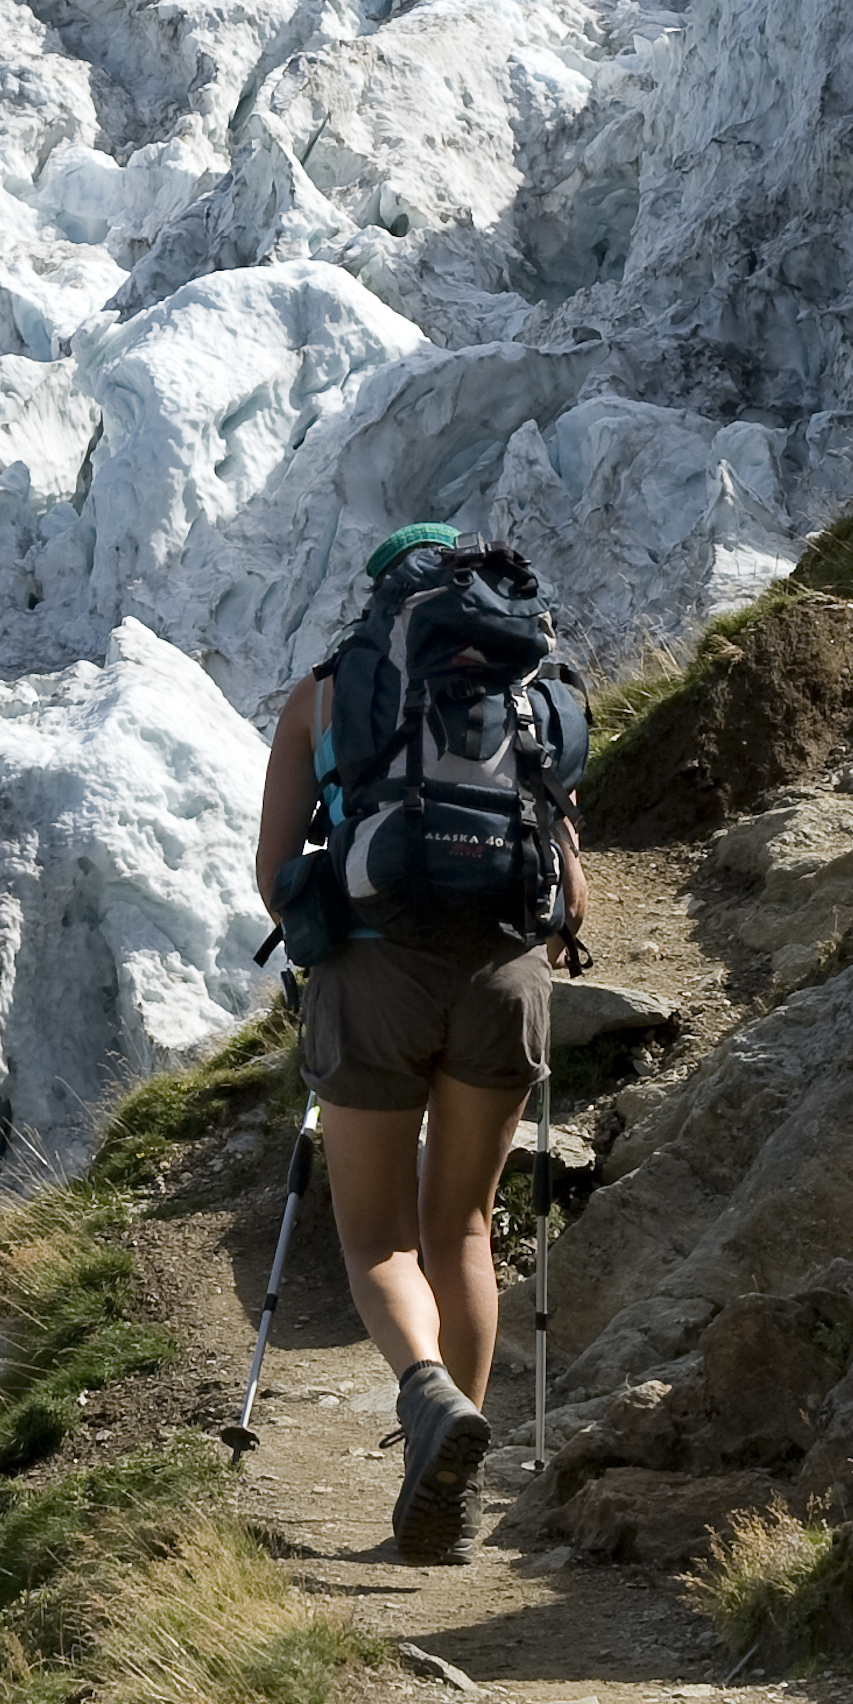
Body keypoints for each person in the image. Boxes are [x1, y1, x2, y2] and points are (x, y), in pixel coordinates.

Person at [249, 527, 588, 1560]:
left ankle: (428, 1398)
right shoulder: (538, 694)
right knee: (466, 1230)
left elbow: (273, 871)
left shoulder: (325, 695)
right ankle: (451, 1482)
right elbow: (571, 892)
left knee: (376, 1239)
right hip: (503, 980)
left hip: (372, 973)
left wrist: (330, 938)